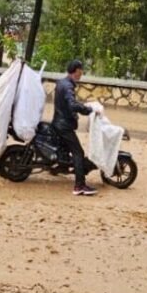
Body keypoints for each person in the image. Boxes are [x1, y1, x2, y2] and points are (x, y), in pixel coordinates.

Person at [53, 60, 101, 196]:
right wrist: (88, 109)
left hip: (58, 122)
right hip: (64, 126)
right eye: (81, 70)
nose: (82, 73)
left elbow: (68, 103)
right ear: (76, 70)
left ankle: (60, 168)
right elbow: (72, 104)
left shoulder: (62, 82)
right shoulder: (68, 86)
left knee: (66, 150)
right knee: (78, 153)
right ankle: (79, 186)